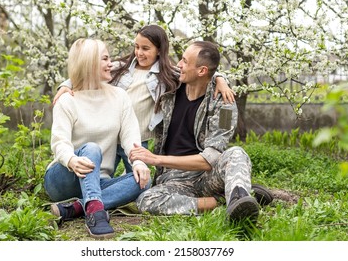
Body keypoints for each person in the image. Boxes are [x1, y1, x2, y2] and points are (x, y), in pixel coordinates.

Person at [53, 25, 236, 175]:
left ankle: (106, 195)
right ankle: (94, 196)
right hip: (113, 136)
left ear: (159, 51)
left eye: (146, 48)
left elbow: (198, 71)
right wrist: (65, 84)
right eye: (136, 47)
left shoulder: (167, 73)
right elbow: (90, 68)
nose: (139, 52)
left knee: (137, 178)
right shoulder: (121, 68)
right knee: (99, 172)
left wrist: (219, 78)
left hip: (139, 140)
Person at [129, 41, 272, 223]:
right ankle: (223, 201)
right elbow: (149, 65)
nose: (178, 64)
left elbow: (210, 159)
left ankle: (238, 199)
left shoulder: (225, 105)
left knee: (236, 153)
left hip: (207, 177)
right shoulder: (172, 82)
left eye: (184, 61)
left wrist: (155, 159)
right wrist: (220, 77)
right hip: (173, 179)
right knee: (146, 200)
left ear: (202, 71)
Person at [44, 38, 151, 239]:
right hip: (64, 177)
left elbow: (130, 135)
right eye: (104, 59)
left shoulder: (119, 96)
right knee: (92, 149)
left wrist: (137, 161)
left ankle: (80, 207)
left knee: (144, 180)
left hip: (99, 181)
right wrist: (72, 160)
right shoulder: (67, 99)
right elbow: (59, 142)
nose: (111, 63)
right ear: (89, 62)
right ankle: (94, 213)